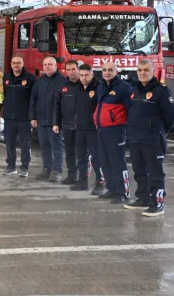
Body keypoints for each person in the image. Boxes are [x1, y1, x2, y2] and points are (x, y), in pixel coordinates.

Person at [126, 59, 174, 216]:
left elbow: (171, 116)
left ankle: (158, 203)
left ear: (153, 71)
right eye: (140, 70)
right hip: (136, 138)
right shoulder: (134, 90)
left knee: (156, 173)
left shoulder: (161, 91)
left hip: (153, 139)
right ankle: (143, 199)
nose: (142, 73)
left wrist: (159, 131)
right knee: (139, 170)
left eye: (146, 70)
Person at [94, 61, 132, 204]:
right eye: (104, 70)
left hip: (116, 130)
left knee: (117, 162)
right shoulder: (101, 86)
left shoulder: (124, 88)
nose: (107, 72)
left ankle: (123, 193)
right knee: (105, 161)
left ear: (117, 72)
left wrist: (127, 130)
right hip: (102, 129)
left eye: (110, 70)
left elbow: (130, 110)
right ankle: (111, 189)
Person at [29, 56, 67, 182]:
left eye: (50, 64)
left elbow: (63, 103)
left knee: (56, 147)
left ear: (55, 66)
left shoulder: (62, 80)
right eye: (45, 65)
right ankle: (47, 169)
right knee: (44, 147)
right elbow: (33, 99)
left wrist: (59, 122)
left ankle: (56, 171)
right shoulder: (39, 81)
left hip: (54, 122)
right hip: (41, 120)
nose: (47, 67)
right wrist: (32, 117)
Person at [71, 64, 104, 192]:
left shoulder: (99, 88)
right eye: (81, 75)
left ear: (92, 75)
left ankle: (99, 183)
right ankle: (82, 182)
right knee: (81, 157)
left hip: (93, 129)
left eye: (86, 75)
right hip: (79, 128)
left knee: (96, 158)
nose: (84, 78)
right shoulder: (77, 88)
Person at [1, 55, 36, 177]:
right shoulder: (5, 77)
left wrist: (32, 115)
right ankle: (11, 166)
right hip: (9, 117)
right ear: (11, 64)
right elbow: (2, 95)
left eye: (18, 63)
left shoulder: (30, 79)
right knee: (9, 142)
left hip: (24, 117)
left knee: (25, 143)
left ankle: (24, 167)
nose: (16, 65)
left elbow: (34, 98)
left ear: (23, 64)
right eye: (14, 63)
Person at [52, 60, 81, 185]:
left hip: (83, 126)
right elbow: (57, 106)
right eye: (68, 70)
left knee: (83, 153)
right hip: (68, 125)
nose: (71, 72)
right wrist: (56, 123)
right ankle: (72, 175)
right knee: (69, 152)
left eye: (73, 69)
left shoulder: (85, 84)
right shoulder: (63, 86)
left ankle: (83, 177)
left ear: (78, 69)